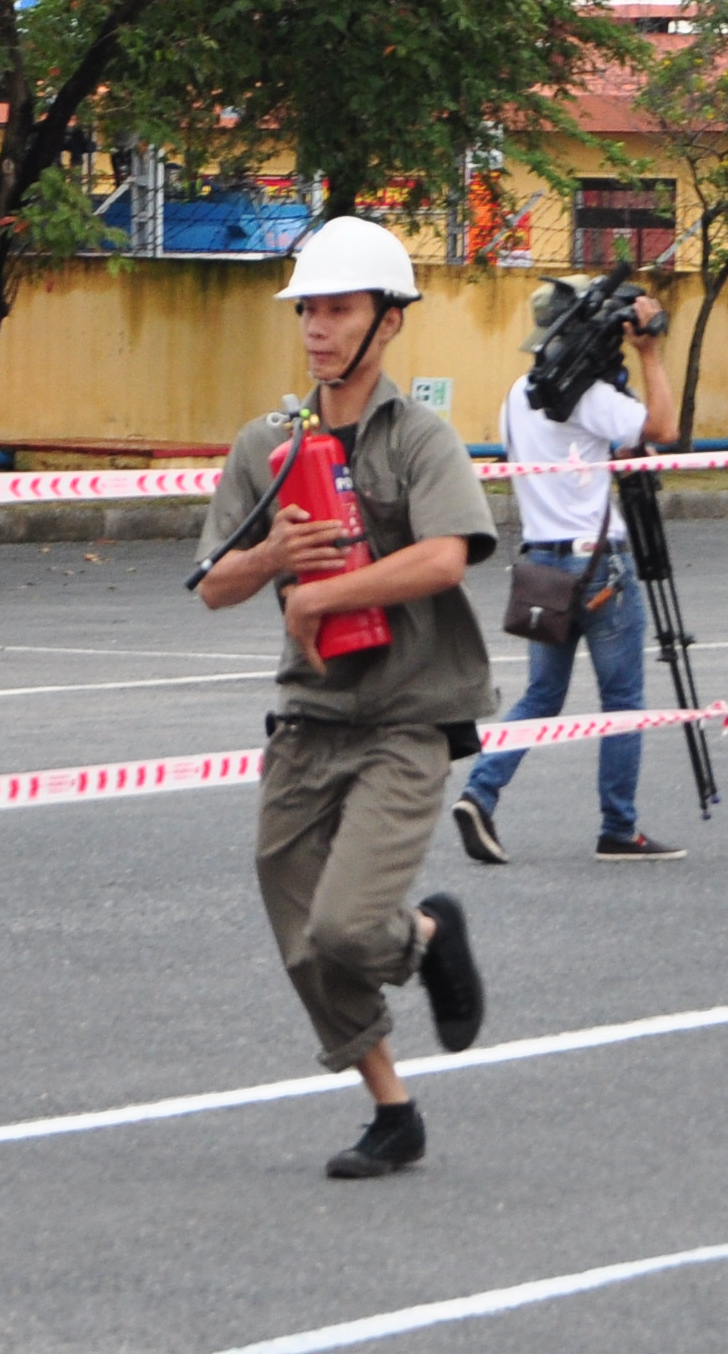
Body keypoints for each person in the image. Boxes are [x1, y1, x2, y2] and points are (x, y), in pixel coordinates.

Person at [191, 217, 500, 1181]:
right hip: (309, 718)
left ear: (387, 323)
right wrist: (275, 559)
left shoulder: (421, 439)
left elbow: (448, 555)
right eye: (309, 310)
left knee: (346, 928)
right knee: (301, 938)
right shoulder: (267, 445)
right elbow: (213, 584)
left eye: (340, 310)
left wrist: (325, 592)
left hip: (407, 717)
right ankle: (392, 1109)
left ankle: (423, 932)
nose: (319, 329)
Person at [453, 279, 684, 864]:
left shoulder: (517, 393)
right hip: (600, 564)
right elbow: (662, 429)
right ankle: (618, 827)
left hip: (542, 566)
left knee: (541, 695)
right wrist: (650, 352)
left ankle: (480, 794)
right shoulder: (588, 394)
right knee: (624, 699)